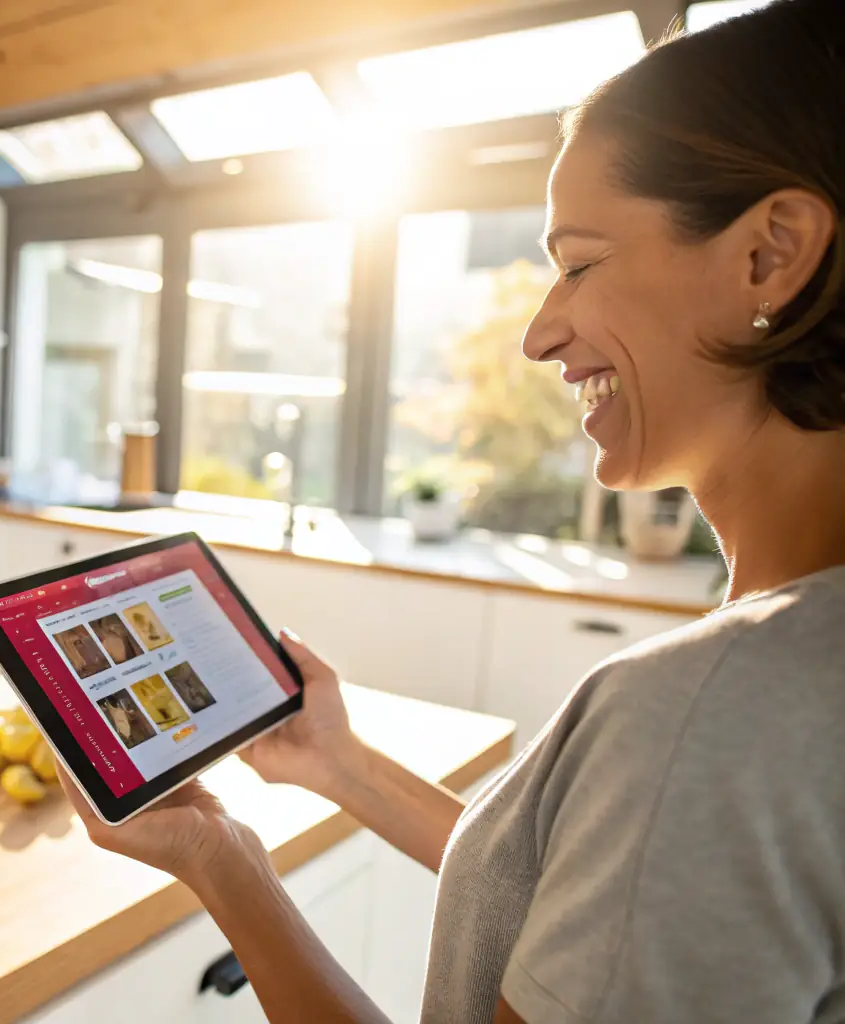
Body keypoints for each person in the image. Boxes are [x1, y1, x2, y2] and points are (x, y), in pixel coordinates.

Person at [59, 2, 845, 1021]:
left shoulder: (710, 716)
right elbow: (602, 900)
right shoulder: (785, 670)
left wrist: (225, 863)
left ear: (769, 253)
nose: (539, 333)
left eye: (580, 263)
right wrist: (343, 764)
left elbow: (666, 820)